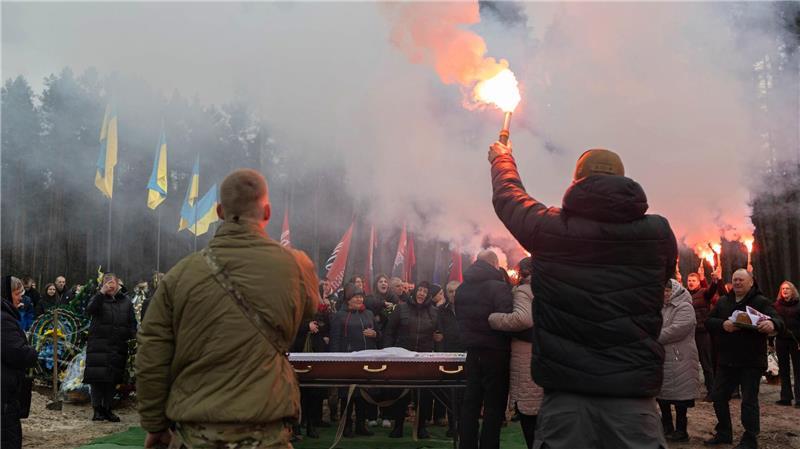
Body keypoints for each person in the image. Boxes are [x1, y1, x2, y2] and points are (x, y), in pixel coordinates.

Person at [488, 142, 677, 449]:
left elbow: (509, 198)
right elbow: (666, 274)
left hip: (566, 397)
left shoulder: (549, 228)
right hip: (632, 396)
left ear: (576, 181)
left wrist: (501, 160)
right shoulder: (657, 232)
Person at [136, 168, 319, 449]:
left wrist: (155, 424)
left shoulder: (180, 275)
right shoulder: (297, 266)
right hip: (267, 429)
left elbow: (152, 354)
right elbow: (309, 311)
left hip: (196, 430)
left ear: (219, 211)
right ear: (267, 212)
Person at [705, 269, 784, 449]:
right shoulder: (724, 301)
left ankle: (750, 439)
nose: (737, 283)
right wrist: (722, 324)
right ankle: (724, 433)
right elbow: (709, 322)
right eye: (735, 280)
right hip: (727, 360)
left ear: (750, 283)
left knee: (748, 401)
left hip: (751, 361)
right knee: (718, 397)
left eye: (741, 280)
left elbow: (778, 320)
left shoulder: (760, 302)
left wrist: (772, 323)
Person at [455, 250, 514, 449]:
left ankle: (467, 445)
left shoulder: (462, 288)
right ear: (494, 264)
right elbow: (506, 319)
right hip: (496, 352)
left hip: (472, 352)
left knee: (470, 404)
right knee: (493, 406)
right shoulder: (498, 287)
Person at [488, 257, 541, 449]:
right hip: (545, 355)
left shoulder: (524, 290)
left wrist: (495, 318)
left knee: (529, 414)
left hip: (526, 357)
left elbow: (522, 319)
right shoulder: (551, 289)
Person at [383, 281, 438, 438]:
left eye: (425, 291)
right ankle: (398, 426)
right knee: (401, 393)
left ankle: (421, 428)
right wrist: (388, 351)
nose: (421, 293)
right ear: (414, 292)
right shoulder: (401, 308)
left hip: (424, 359)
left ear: (428, 295)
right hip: (403, 358)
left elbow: (439, 334)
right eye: (419, 290)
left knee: (424, 395)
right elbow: (389, 332)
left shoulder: (434, 312)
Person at [84, 273, 137, 422]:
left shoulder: (126, 301)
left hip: (118, 345)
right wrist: (101, 293)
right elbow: (90, 310)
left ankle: (108, 408)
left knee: (112, 379)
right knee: (97, 379)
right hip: (99, 345)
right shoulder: (98, 298)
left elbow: (131, 322)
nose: (111, 286)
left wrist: (135, 338)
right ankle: (97, 410)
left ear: (118, 284)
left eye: (113, 282)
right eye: (107, 283)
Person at [330, 285, 378, 437]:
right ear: (348, 299)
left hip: (366, 358)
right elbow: (335, 340)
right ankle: (346, 426)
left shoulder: (369, 314)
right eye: (356, 296)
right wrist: (335, 360)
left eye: (361, 296)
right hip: (347, 360)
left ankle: (360, 426)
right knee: (348, 395)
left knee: (363, 394)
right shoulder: (339, 315)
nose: (359, 299)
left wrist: (375, 334)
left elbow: (379, 334)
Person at [657, 279, 699, 443]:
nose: (665, 294)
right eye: (663, 291)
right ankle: (667, 427)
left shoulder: (684, 307)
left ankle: (681, 430)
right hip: (663, 357)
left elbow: (677, 330)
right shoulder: (661, 307)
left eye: (668, 291)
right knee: (662, 395)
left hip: (680, 357)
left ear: (674, 291)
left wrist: (652, 336)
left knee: (681, 397)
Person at [2, 276, 38, 449]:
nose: (21, 298)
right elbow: (16, 352)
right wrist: (32, 352)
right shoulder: (4, 320)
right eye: (17, 293)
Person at [687, 266, 724, 400]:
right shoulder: (685, 295)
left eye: (693, 280)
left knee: (706, 363)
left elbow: (712, 291)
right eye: (689, 280)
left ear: (698, 282)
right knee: (690, 364)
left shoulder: (704, 293)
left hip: (703, 333)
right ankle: (690, 391)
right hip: (689, 334)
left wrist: (715, 281)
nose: (690, 282)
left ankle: (712, 391)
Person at [438, 280, 464, 438]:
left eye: (456, 291)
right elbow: (439, 333)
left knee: (465, 392)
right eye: (450, 291)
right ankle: (452, 424)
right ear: (446, 294)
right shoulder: (441, 310)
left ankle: (463, 424)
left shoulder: (469, 309)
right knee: (451, 392)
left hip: (466, 354)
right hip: (448, 354)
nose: (453, 294)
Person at [773, 281, 799, 407]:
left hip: (796, 341)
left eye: (787, 288)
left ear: (792, 290)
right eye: (783, 288)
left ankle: (799, 399)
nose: (785, 290)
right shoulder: (777, 305)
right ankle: (786, 397)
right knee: (783, 369)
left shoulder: (798, 304)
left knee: (798, 370)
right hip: (781, 340)